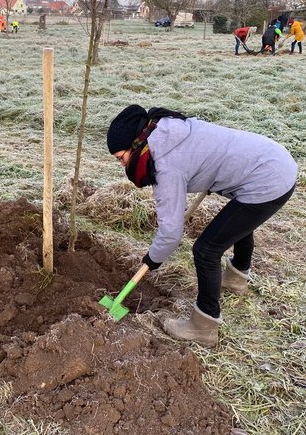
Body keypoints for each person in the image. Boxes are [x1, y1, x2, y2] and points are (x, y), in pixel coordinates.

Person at [107, 105, 297, 346]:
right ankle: (236, 279)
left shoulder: (165, 165)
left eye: (121, 158)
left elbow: (170, 233)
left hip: (268, 181)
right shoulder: (169, 130)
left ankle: (203, 326)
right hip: (272, 159)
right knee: (236, 222)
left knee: (206, 250)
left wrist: (152, 259)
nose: (122, 165)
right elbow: (205, 152)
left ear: (136, 146)